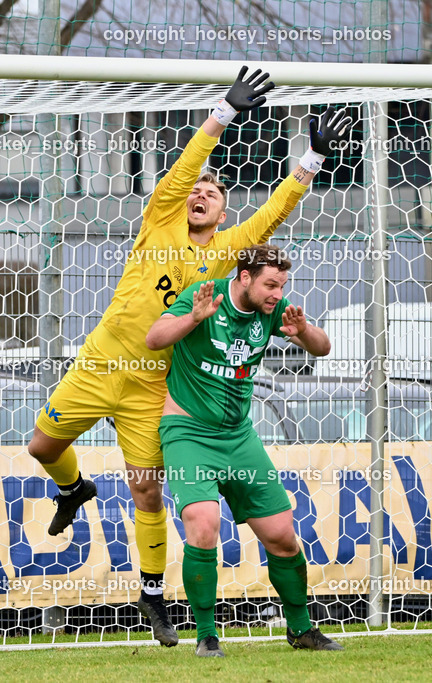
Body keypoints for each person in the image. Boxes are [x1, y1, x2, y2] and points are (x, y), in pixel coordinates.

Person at [25, 65, 351, 646]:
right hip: (100, 363)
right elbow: (179, 174)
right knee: (41, 446)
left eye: (214, 192)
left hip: (155, 384)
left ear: (224, 214)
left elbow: (275, 215)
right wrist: (223, 115)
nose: (200, 193)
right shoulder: (157, 222)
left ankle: (152, 595)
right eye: (196, 189)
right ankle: (74, 489)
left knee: (147, 486)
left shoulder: (230, 254)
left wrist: (312, 159)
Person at [145, 244, 342, 658]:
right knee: (203, 523)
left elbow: (322, 347)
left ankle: (301, 628)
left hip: (239, 436)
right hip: (188, 433)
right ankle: (206, 635)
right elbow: (154, 338)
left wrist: (302, 330)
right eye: (270, 284)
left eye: (282, 285)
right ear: (245, 277)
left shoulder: (273, 309)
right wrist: (191, 319)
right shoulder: (205, 295)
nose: (277, 293)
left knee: (283, 537)